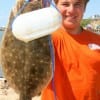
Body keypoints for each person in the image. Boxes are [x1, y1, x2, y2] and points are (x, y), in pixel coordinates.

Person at [41, 0, 100, 100]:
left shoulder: (97, 40)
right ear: (55, 7)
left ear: (84, 8)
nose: (71, 10)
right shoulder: (46, 39)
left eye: (77, 4)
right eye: (65, 4)